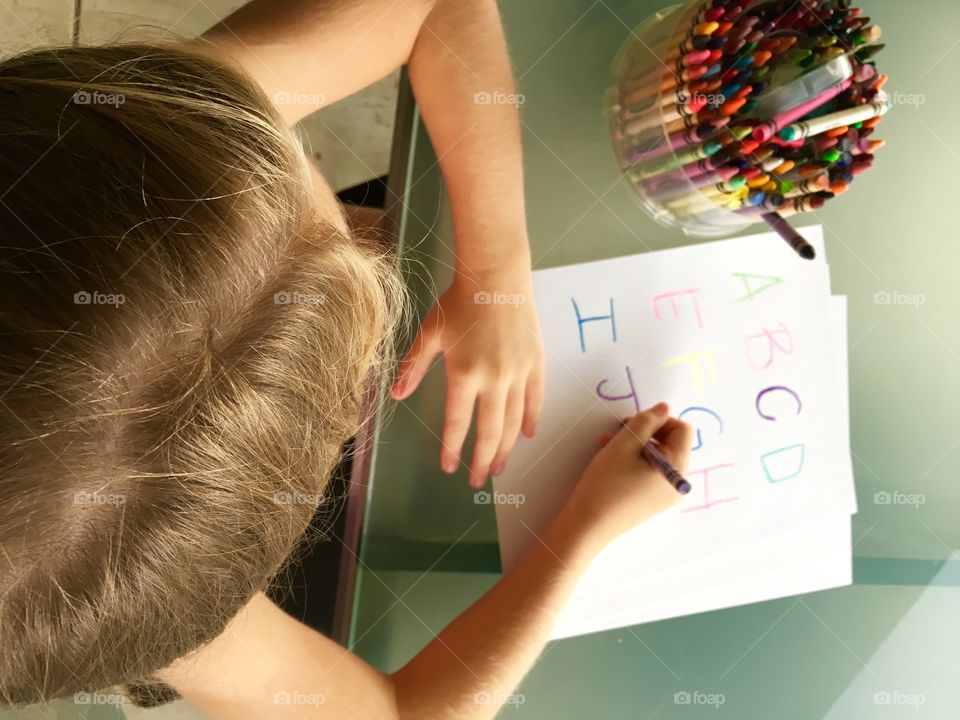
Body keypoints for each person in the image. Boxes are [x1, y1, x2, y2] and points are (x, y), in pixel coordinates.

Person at [0, 0, 693, 715]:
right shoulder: (132, 589)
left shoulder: (154, 145)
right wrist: (578, 538)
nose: (371, 244)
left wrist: (495, 273)